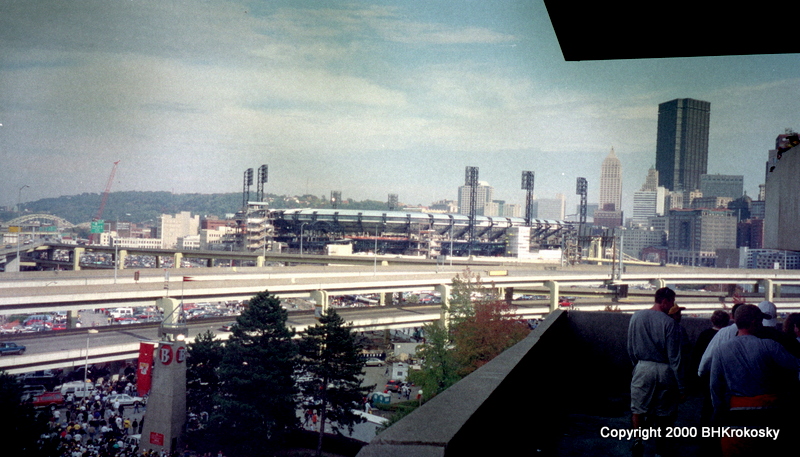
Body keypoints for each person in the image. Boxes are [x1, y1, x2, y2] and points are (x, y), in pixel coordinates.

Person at [709, 304, 799, 455]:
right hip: (768, 415)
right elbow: (796, 366)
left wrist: (720, 412)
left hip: (735, 418)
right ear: (754, 322)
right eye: (760, 320)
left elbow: (715, 386)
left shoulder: (721, 350)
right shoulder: (769, 346)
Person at [627, 287, 684, 457]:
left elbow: (630, 347)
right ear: (665, 301)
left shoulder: (636, 317)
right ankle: (660, 446)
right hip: (665, 369)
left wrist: (637, 366)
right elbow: (675, 357)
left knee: (638, 407)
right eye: (672, 301)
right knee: (663, 411)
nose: (672, 305)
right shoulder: (670, 323)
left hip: (643, 367)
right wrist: (681, 386)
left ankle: (638, 440)